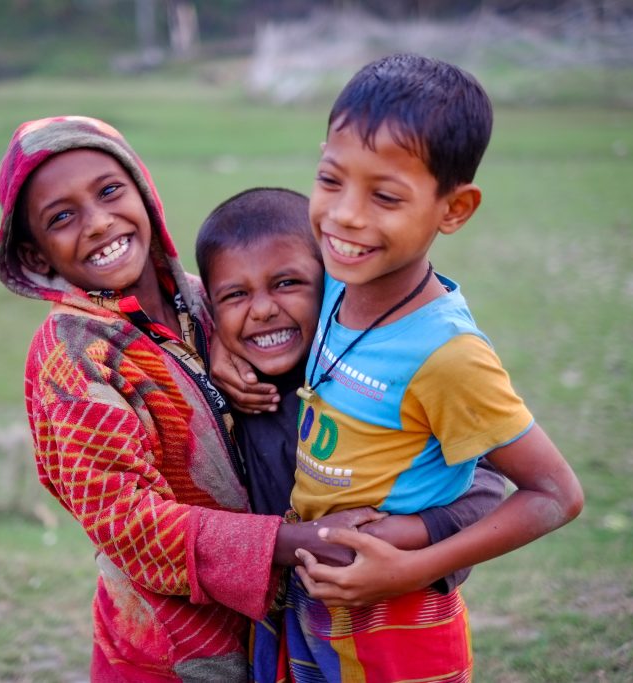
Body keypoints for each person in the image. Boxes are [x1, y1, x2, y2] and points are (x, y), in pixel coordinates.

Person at [222, 54, 584, 681]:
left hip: (399, 618)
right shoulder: (331, 284)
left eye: (385, 196)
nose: (346, 215)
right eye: (332, 180)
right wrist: (224, 346)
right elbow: (239, 296)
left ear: (454, 209)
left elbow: (556, 494)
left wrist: (412, 568)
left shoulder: (448, 355)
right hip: (315, 604)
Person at [0, 115, 387, 682]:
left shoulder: (212, 301)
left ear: (144, 194)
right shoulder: (70, 356)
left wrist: (220, 337)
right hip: (170, 655)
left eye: (110, 191)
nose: (99, 222)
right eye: (62, 217)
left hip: (281, 636)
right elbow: (128, 523)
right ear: (36, 256)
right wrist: (294, 542)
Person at [195, 186, 511, 681]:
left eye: (287, 283)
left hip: (394, 618)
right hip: (285, 627)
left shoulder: (371, 376)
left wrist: (405, 535)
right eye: (235, 295)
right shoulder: (225, 388)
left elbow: (486, 482)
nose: (262, 310)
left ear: (331, 284)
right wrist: (217, 341)